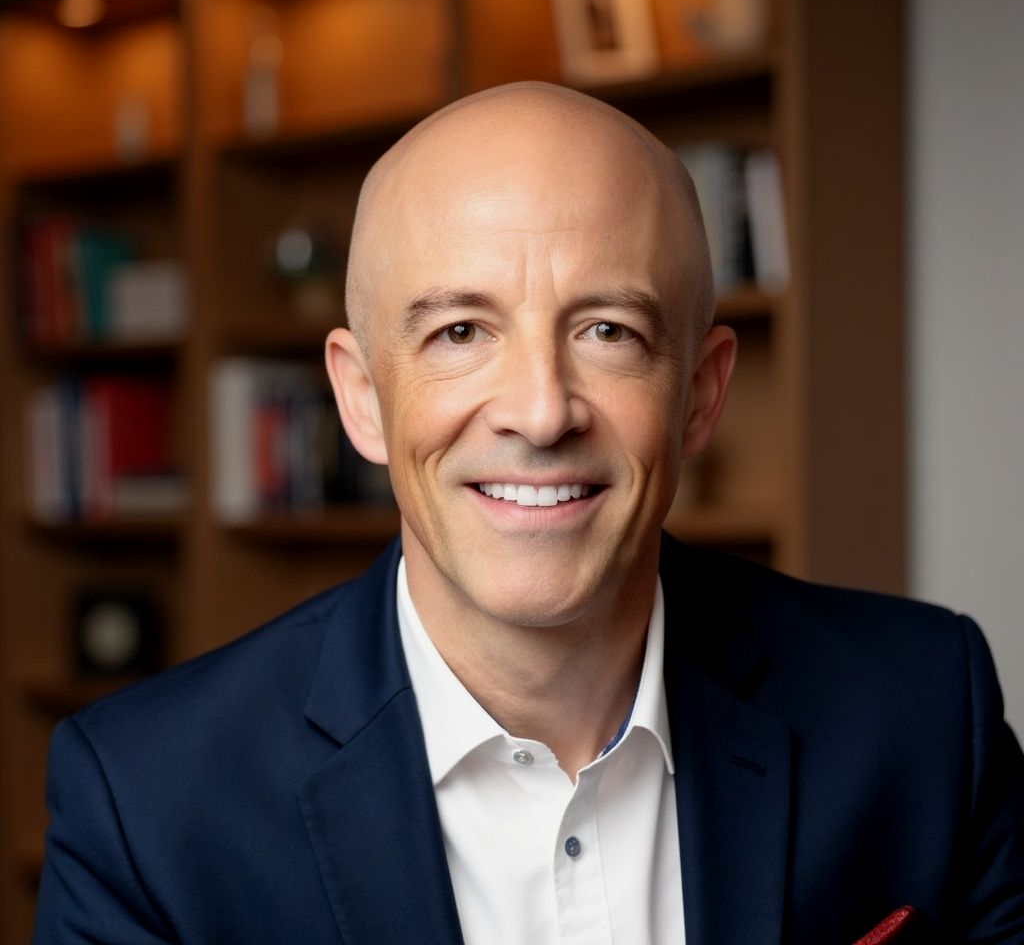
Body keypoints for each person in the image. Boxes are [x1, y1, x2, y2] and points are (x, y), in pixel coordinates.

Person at [34, 83, 1024, 945]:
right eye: (460, 331)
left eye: (608, 330)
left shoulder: (928, 715)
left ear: (699, 393)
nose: (540, 410)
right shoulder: (146, 803)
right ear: (361, 397)